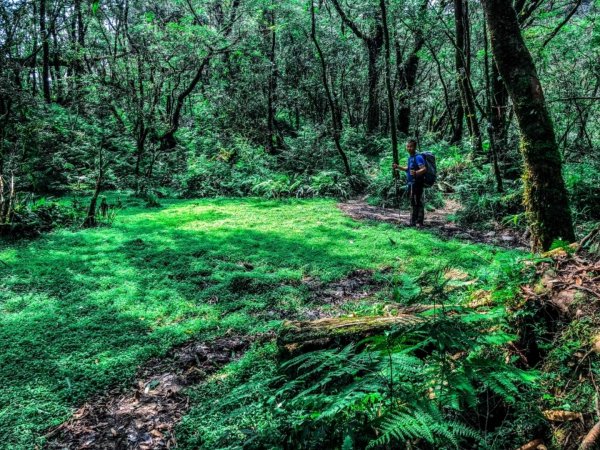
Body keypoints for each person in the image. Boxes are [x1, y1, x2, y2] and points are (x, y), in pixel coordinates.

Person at [393, 139, 427, 227]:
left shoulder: (418, 157)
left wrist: (416, 173)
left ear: (415, 147)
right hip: (411, 183)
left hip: (417, 183)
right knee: (413, 201)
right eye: (407, 146)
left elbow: (424, 169)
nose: (409, 148)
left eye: (411, 146)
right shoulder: (410, 157)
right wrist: (398, 167)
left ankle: (417, 222)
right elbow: (407, 168)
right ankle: (414, 221)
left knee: (417, 201)